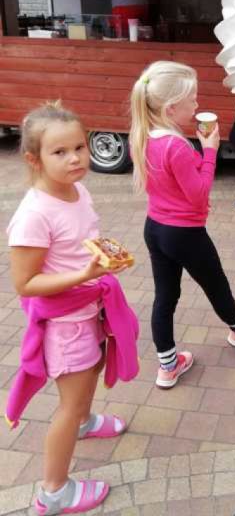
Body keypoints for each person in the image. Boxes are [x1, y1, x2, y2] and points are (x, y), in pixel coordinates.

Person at [6, 102, 139, 515]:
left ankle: (84, 421)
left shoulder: (78, 190)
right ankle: (54, 492)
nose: (75, 158)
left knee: (93, 369)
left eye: (80, 147)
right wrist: (84, 274)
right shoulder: (34, 215)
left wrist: (102, 261)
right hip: (66, 325)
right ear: (35, 159)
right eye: (60, 152)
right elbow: (25, 284)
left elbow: (81, 242)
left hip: (90, 307)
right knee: (68, 402)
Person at [129, 60, 235, 388]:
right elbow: (198, 194)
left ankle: (168, 365)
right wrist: (209, 151)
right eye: (192, 100)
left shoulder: (143, 136)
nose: (196, 106)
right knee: (215, 284)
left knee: (165, 296)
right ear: (170, 108)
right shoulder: (176, 146)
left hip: (155, 229)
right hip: (185, 233)